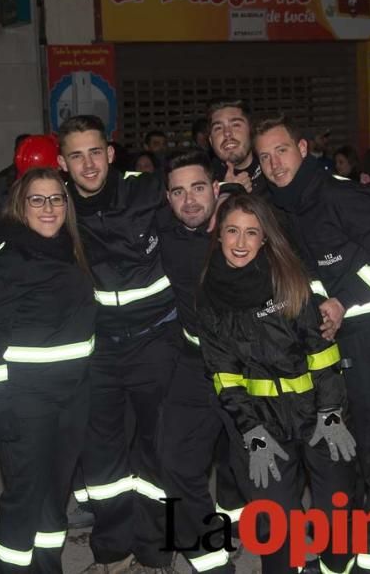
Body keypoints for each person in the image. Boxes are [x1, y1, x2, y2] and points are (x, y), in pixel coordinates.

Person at [0, 115, 180, 573]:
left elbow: (195, 205)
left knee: (155, 460)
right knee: (80, 479)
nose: (87, 164)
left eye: (95, 152)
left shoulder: (137, 194)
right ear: (62, 163)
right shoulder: (26, 241)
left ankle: (159, 553)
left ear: (111, 152)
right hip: (56, 384)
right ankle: (113, 555)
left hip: (142, 352)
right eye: (76, 155)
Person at [255, 115, 370, 574]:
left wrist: (346, 300)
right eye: (265, 156)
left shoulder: (340, 194)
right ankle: (340, 558)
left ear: (303, 148)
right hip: (320, 348)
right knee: (337, 460)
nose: (274, 162)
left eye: (281, 150)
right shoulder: (274, 206)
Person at [196, 193, 355, 574]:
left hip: (317, 414)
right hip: (262, 425)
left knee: (336, 514)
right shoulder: (209, 296)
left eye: (252, 233)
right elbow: (224, 373)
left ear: (265, 238)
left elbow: (322, 352)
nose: (240, 243)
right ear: (218, 235)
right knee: (276, 526)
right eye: (232, 231)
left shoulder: (289, 279)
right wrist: (250, 430)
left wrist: (331, 411)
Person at [157, 150, 247, 574]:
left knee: (258, 470)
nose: (189, 201)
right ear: (167, 198)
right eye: (178, 192)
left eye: (198, 188)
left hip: (250, 367)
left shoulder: (246, 229)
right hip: (194, 363)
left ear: (214, 189)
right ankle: (212, 563)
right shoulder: (165, 232)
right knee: (174, 460)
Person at [207, 99, 268, 195]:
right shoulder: (204, 182)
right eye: (218, 128)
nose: (227, 133)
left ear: (250, 132)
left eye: (235, 125)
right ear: (211, 141)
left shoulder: (272, 168)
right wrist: (226, 190)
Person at [0, 134, 30, 199]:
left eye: (29, 149)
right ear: (15, 151)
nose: (25, 153)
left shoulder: (44, 175)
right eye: (21, 149)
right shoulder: (2, 179)